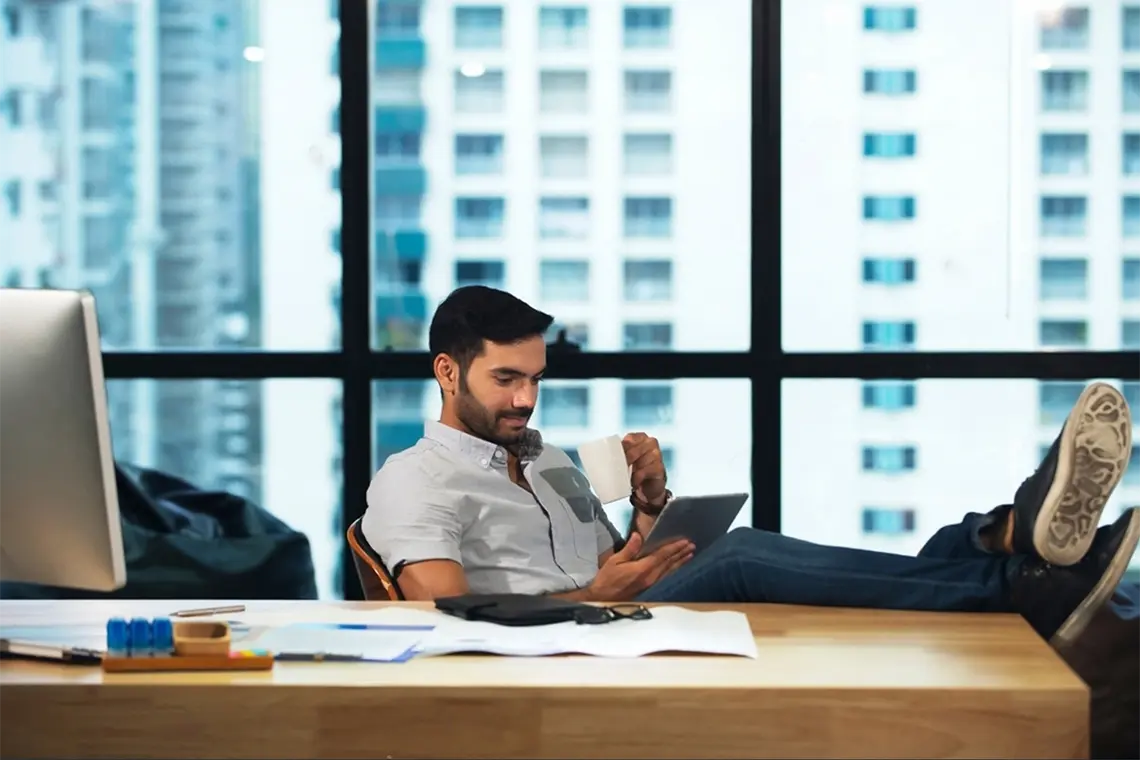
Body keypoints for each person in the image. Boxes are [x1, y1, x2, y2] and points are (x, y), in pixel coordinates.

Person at [362, 286, 1140, 647]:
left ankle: (1005, 538)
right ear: (447, 372)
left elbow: (615, 559)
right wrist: (588, 597)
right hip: (562, 639)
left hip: (614, 608)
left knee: (926, 546)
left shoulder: (550, 458)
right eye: (508, 380)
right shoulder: (413, 479)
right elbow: (439, 616)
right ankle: (1019, 572)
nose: (527, 400)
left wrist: (649, 506)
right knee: (741, 554)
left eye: (536, 379)